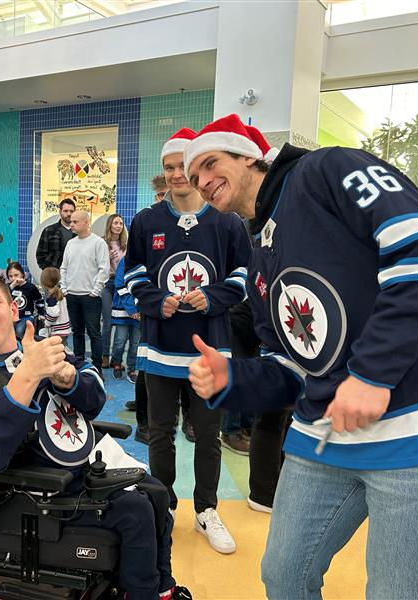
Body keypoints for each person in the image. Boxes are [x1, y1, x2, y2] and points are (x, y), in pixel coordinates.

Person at [183, 113, 418, 598]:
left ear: (249, 155)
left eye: (210, 164)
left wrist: (373, 374)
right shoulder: (259, 253)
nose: (203, 182)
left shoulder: (325, 171)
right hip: (327, 436)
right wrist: (234, 377)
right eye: (191, 178)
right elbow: (295, 365)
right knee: (284, 575)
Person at [0, 271, 189, 600]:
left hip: (74, 469)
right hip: (27, 491)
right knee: (134, 510)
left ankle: (162, 589)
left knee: (157, 493)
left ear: (12, 310)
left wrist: (69, 380)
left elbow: (94, 396)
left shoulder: (37, 350)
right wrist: (27, 376)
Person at [124, 128, 251, 555]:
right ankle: (162, 506)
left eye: (183, 166)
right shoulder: (146, 221)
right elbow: (133, 273)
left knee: (209, 435)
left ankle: (206, 510)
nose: (177, 174)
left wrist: (213, 296)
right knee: (159, 434)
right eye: (169, 168)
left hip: (208, 351)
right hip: (160, 348)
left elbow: (243, 277)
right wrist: (158, 300)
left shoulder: (228, 223)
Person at [60, 210, 110, 370]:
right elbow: (64, 268)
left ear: (86, 223)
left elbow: (104, 269)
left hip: (91, 297)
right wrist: (64, 289)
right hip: (72, 295)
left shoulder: (98, 243)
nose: (71, 224)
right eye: (71, 222)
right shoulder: (70, 243)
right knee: (77, 332)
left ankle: (96, 367)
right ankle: (79, 365)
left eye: (75, 222)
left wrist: (95, 291)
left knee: (94, 333)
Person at [101, 213, 127, 369]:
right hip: (108, 284)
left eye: (121, 223)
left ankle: (116, 359)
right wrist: (106, 257)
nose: (118, 226)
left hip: (122, 285)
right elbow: (95, 265)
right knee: (108, 322)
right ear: (110, 225)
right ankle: (105, 355)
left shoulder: (126, 244)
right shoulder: (102, 243)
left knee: (122, 322)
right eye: (116, 223)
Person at [110, 257, 141, 382]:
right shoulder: (125, 260)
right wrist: (131, 308)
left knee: (135, 343)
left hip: (140, 310)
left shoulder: (149, 258)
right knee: (120, 340)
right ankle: (117, 363)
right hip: (123, 307)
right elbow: (119, 283)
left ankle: (131, 369)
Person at [36, 198, 75, 270]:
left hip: (74, 275)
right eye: (65, 211)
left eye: (71, 211)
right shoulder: (49, 231)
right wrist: (48, 270)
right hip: (54, 275)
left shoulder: (78, 233)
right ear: (60, 212)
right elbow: (40, 255)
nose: (69, 214)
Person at [6, 261, 43, 326]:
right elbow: (3, 296)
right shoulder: (8, 287)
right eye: (10, 276)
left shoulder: (31, 287)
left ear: (22, 274)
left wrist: (41, 313)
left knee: (19, 330)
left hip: (26, 317)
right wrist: (12, 287)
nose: (13, 278)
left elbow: (39, 300)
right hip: (11, 317)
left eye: (16, 275)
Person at [39, 266, 71, 343]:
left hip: (57, 331)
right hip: (64, 329)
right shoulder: (59, 293)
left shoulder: (52, 297)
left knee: (56, 352)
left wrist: (46, 323)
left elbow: (53, 314)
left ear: (44, 282)